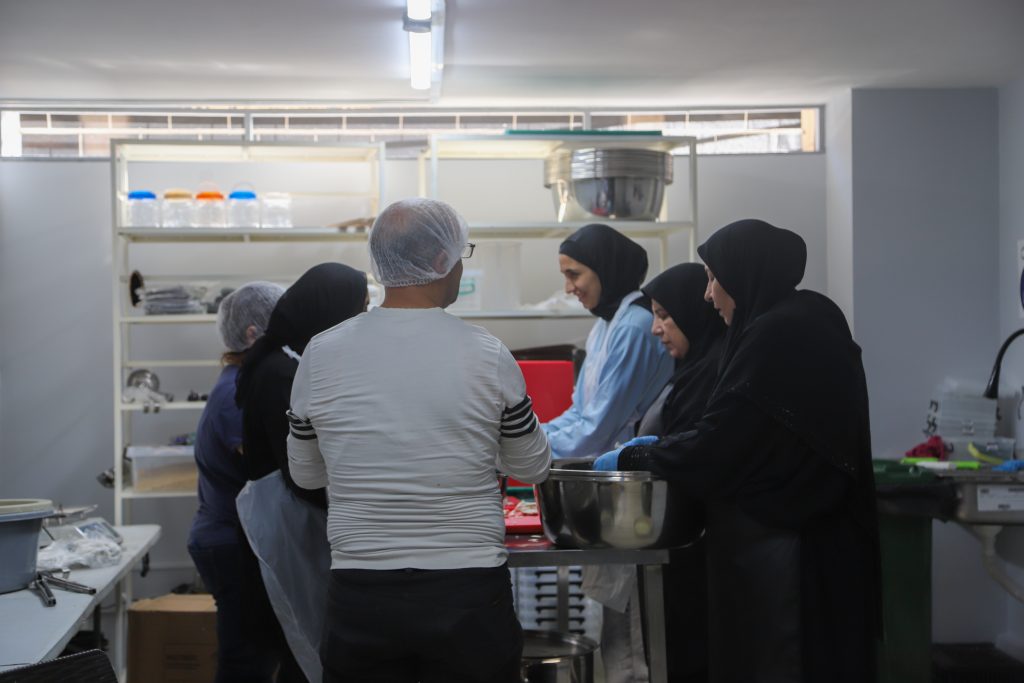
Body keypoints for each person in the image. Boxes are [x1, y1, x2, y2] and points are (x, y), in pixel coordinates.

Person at [596, 219, 882, 683]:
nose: (709, 295)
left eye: (713, 277)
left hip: (791, 550)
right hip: (811, 538)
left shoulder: (778, 333)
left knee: (786, 663)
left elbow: (723, 443)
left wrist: (644, 456)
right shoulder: (803, 317)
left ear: (743, 272)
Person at [286, 198, 552, 683]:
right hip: (467, 592)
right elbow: (532, 467)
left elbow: (305, 473)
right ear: (439, 262)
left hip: (361, 592)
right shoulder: (487, 355)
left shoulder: (320, 355)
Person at [234, 262, 369, 683]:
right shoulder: (280, 371)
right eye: (360, 308)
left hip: (299, 513)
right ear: (332, 310)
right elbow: (298, 468)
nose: (365, 318)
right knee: (304, 642)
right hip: (290, 519)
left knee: (307, 639)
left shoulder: (291, 357)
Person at [592, 263, 726, 683]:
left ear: (693, 313)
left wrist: (643, 454)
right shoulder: (688, 372)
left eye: (665, 316)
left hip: (691, 551)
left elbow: (693, 455)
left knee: (684, 658)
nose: (656, 329)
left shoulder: (711, 377)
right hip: (670, 542)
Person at [186, 281, 285, 683]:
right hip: (229, 543)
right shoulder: (235, 395)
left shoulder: (241, 385)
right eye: (279, 326)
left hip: (234, 539)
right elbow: (270, 464)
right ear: (252, 334)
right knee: (245, 663)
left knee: (256, 656)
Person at [542, 223, 674, 459]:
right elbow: (581, 411)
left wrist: (527, 448)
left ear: (604, 269)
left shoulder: (635, 326)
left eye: (574, 275)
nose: (568, 288)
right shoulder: (605, 325)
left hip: (634, 464)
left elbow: (597, 429)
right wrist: (532, 435)